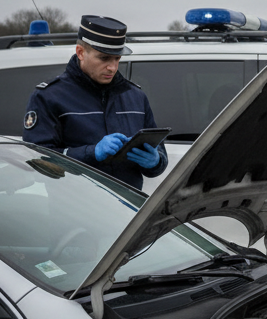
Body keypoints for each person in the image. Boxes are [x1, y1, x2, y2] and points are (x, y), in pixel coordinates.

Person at [22, 15, 168, 190]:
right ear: (80, 53)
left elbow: (160, 156)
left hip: (130, 211)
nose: (112, 67)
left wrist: (155, 162)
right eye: (104, 58)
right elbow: (38, 160)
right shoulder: (49, 96)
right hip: (74, 210)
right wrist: (91, 152)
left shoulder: (135, 95)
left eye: (117, 58)